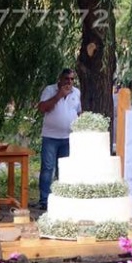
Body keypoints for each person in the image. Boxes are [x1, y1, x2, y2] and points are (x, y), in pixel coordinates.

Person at [36, 68, 81, 210]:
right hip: (50, 137)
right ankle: (44, 200)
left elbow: (78, 112)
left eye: (72, 79)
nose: (69, 82)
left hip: (68, 138)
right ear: (60, 79)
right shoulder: (50, 90)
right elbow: (42, 108)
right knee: (48, 169)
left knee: (64, 169)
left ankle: (62, 198)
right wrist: (59, 95)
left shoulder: (76, 93)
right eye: (67, 78)